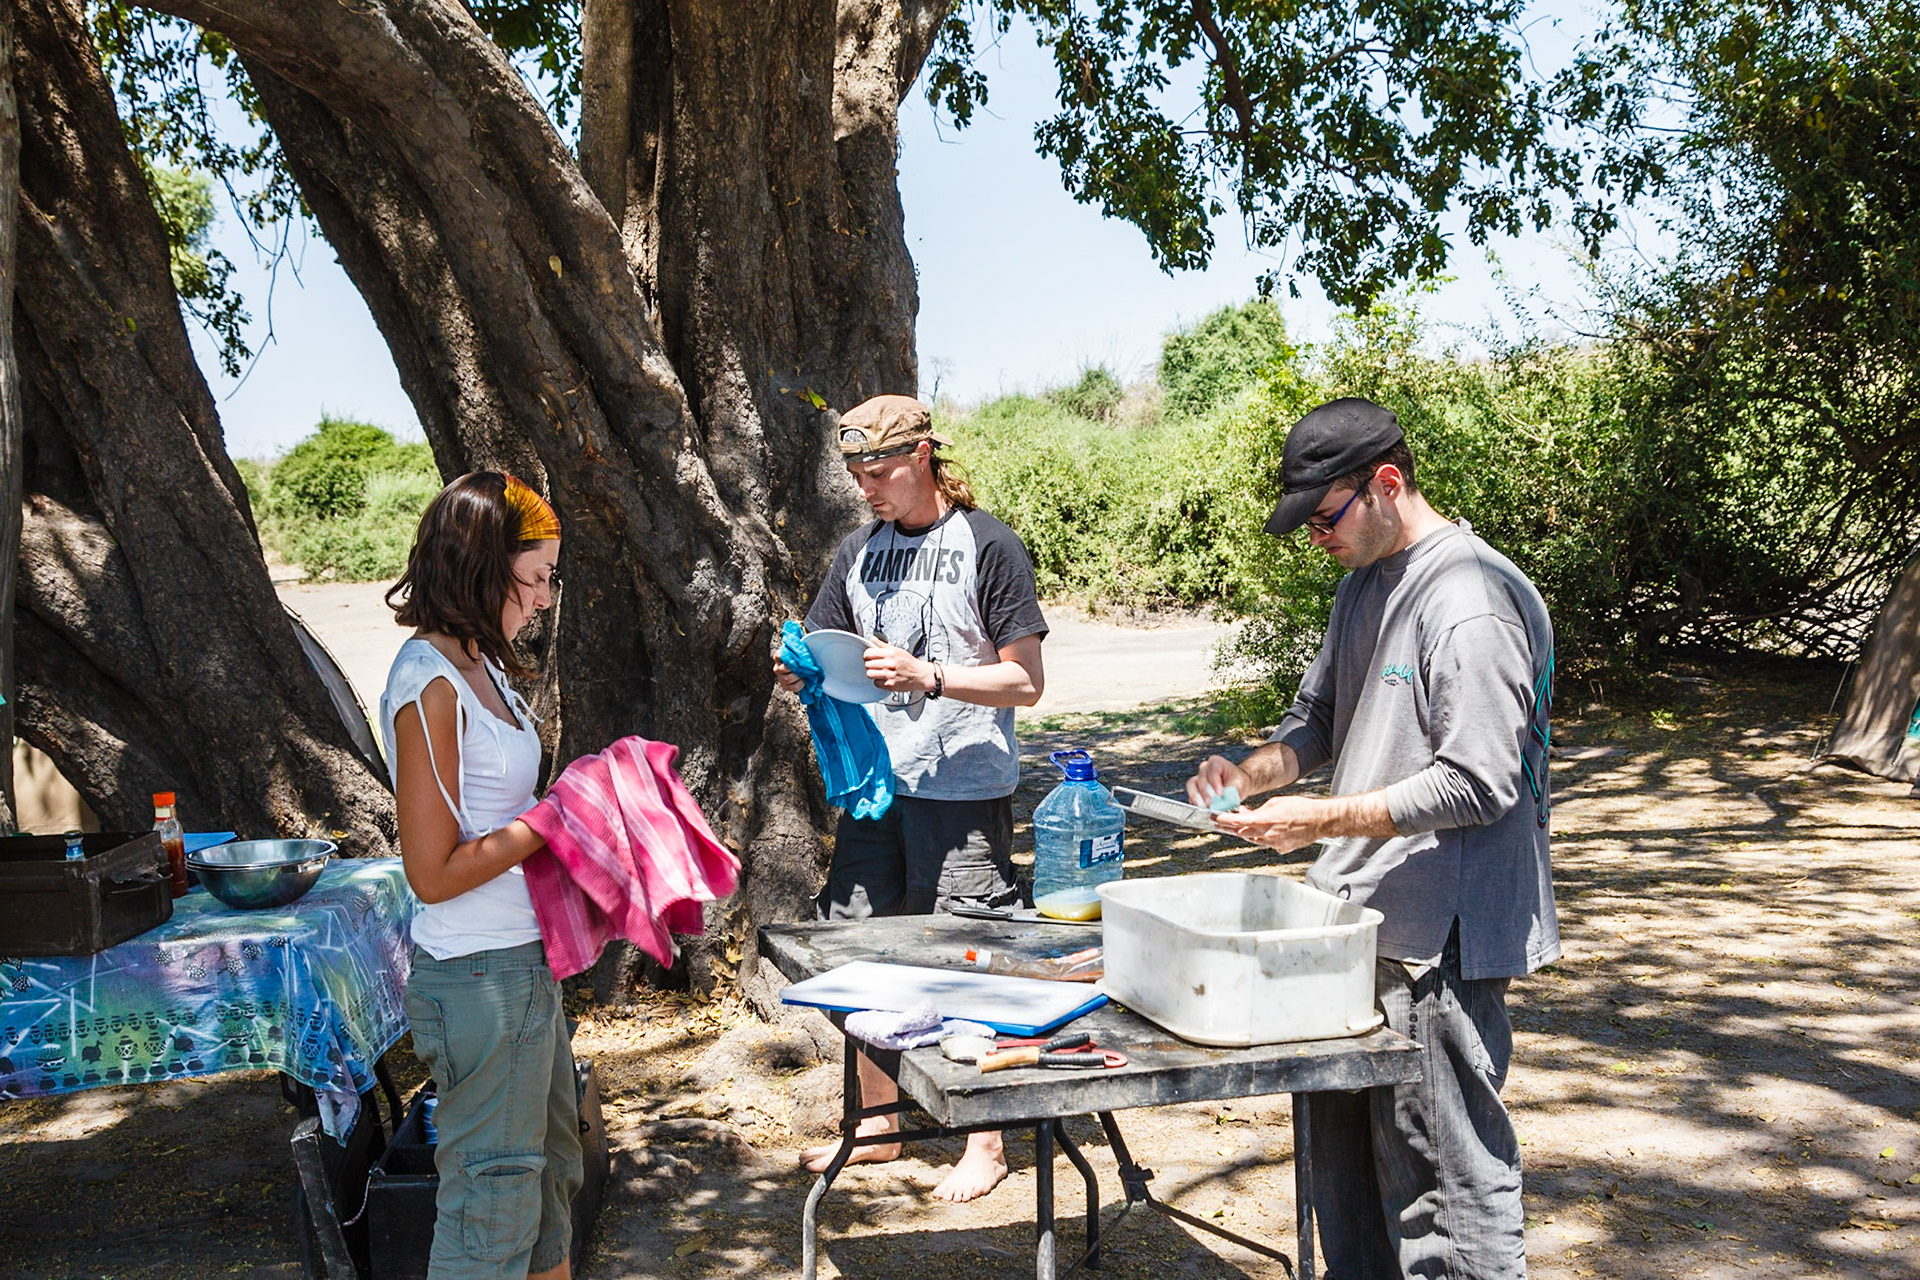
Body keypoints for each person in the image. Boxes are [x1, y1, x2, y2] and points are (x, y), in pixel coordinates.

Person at [1187, 398, 1557, 1279]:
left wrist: (1317, 819)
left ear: (1387, 483)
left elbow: (1478, 783)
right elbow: (1319, 721)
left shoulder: (1471, 601)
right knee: (1343, 1184)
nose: (1316, 536)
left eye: (1326, 515)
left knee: (1444, 1188)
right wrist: (1254, 773)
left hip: (1440, 941)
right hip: (1354, 921)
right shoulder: (1363, 582)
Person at [775, 394, 1047, 1202]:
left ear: (925, 455)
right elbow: (831, 647)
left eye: (883, 469)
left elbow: (1026, 680)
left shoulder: (989, 545)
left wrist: (931, 675)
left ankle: (984, 1141)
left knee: (967, 954)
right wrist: (801, 668)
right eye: (857, 471)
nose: (869, 486)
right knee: (862, 954)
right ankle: (879, 1127)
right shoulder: (857, 552)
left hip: (963, 789)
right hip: (876, 792)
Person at [381, 472, 581, 1280]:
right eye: (534, 579)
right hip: (478, 975)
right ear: (482, 567)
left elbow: (505, 809)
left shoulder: (481, 663)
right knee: (490, 1207)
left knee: (550, 1186)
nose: (542, 601)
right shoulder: (428, 683)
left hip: (523, 966)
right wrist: (552, 819)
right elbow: (431, 872)